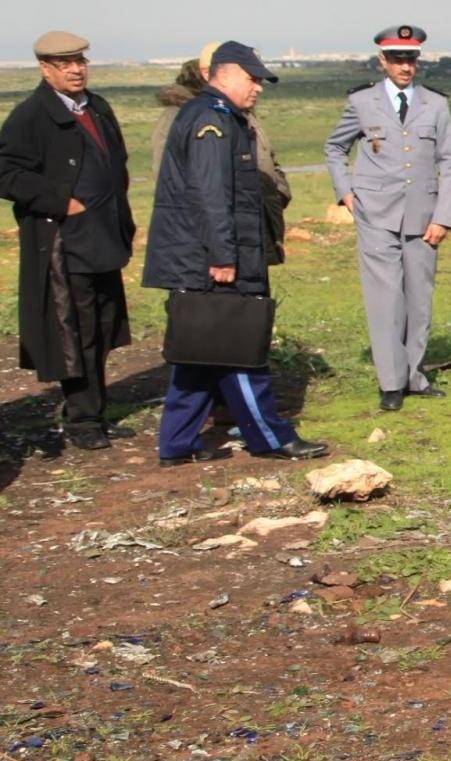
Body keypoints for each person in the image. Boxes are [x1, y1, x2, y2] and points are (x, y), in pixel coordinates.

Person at [144, 42, 327, 466]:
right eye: (252, 78)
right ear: (223, 74)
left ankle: (177, 442)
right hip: (216, 258)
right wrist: (224, 256)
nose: (258, 88)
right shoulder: (212, 120)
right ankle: (270, 437)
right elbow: (212, 196)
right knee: (240, 348)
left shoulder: (215, 115)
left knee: (201, 348)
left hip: (205, 254)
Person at [0, 30, 137, 451]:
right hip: (66, 239)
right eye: (66, 64)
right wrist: (61, 202)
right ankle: (81, 420)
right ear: (45, 69)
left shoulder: (97, 106)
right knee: (75, 330)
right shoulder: (30, 116)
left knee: (103, 324)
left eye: (80, 62)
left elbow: (117, 162)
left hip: (103, 235)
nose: (76, 70)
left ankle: (95, 411)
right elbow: (6, 172)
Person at [325, 25, 451, 412]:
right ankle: (391, 382)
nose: (405, 66)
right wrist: (345, 192)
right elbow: (335, 147)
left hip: (423, 215)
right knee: (385, 300)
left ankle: (415, 375)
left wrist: (443, 216)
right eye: (398, 58)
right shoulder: (363, 102)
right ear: (382, 61)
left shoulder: (435, 104)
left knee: (419, 298)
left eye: (411, 58)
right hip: (376, 213)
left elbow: (449, 163)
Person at [154, 42, 291, 264]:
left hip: (253, 223)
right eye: (251, 78)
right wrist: (219, 248)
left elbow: (267, 157)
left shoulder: (240, 112)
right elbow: (178, 179)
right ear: (211, 73)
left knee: (251, 293)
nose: (258, 87)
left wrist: (278, 192)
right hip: (211, 238)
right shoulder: (188, 115)